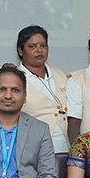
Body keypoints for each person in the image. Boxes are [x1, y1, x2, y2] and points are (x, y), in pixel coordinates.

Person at [13, 24, 70, 155]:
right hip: (31, 152)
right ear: (20, 51)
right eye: (32, 46)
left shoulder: (59, 73)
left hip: (65, 149)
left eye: (43, 45)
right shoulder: (14, 78)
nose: (39, 50)